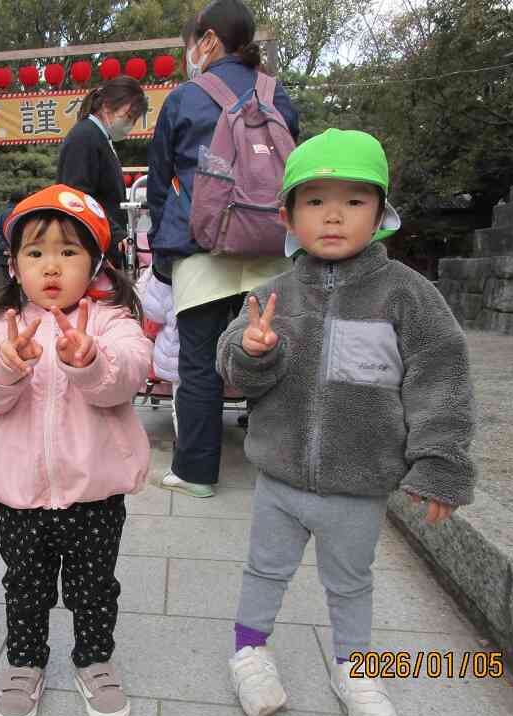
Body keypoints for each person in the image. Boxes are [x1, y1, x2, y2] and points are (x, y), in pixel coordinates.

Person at [217, 129, 477, 716]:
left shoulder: (409, 297)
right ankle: (249, 652)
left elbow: (441, 379)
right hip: (279, 477)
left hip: (358, 484)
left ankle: (354, 666)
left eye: (354, 201)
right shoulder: (271, 294)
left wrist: (440, 462)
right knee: (264, 569)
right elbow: (232, 365)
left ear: (382, 213)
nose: (333, 215)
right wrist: (253, 350)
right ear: (288, 215)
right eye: (314, 201)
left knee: (351, 581)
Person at [0, 184, 152, 716]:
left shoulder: (112, 322)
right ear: (14, 265)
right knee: (24, 585)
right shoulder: (2, 328)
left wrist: (90, 359)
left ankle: (94, 659)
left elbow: (128, 376)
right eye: (35, 252)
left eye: (69, 251)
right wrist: (6, 363)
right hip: (21, 496)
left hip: (95, 493)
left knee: (95, 586)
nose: (52, 266)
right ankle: (24, 663)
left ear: (95, 264)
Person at [147, 0, 299, 498]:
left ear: (209, 40)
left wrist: (160, 247)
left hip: (203, 246)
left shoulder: (183, 99)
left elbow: (159, 183)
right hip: (269, 246)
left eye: (195, 41)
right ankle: (279, 466)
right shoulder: (280, 99)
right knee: (268, 355)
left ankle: (196, 472)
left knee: (198, 363)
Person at [57, 77, 148, 269]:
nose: (130, 125)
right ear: (107, 106)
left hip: (101, 244)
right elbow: (78, 197)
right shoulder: (85, 137)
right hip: (92, 247)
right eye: (129, 116)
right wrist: (115, 233)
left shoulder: (98, 137)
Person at [137, 265, 181, 435]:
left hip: (176, 350)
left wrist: (150, 272)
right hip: (208, 348)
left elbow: (153, 311)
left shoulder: (163, 271)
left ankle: (183, 440)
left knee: (180, 404)